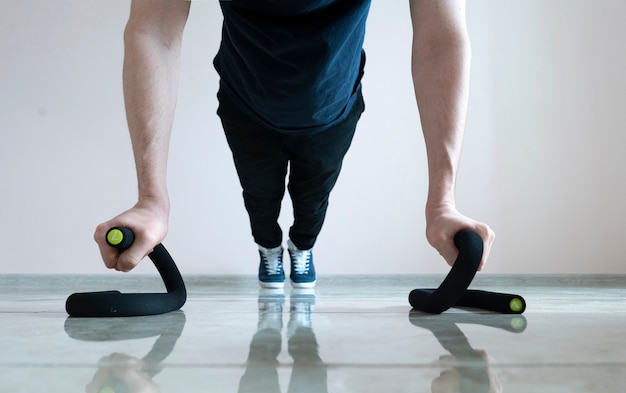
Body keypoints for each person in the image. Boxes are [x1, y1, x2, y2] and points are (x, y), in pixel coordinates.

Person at [94, 0, 495, 289]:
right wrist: (151, 199)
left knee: (312, 200)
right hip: (246, 105)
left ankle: (301, 248)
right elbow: (154, 29)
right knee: (259, 198)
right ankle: (269, 249)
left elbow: (440, 38)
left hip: (333, 109)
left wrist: (443, 202)